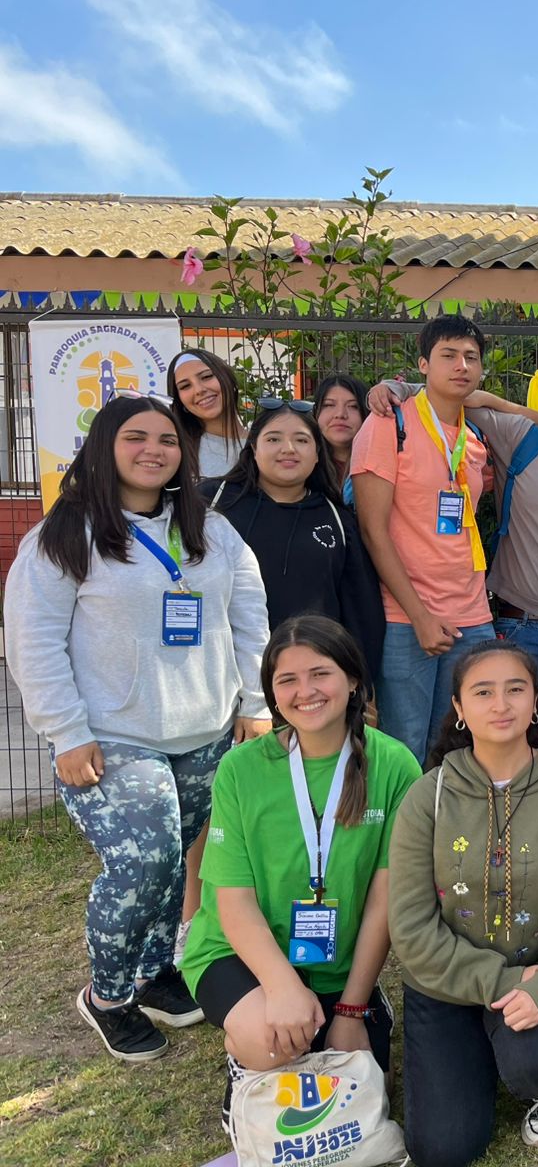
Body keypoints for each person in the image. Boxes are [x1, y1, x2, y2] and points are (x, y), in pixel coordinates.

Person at [4, 396, 271, 1062]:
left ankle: (154, 974)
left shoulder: (209, 528)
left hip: (205, 731)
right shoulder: (64, 535)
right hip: (114, 738)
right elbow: (33, 641)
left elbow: (249, 613)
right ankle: (108, 996)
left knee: (171, 862)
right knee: (144, 864)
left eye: (167, 440)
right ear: (103, 447)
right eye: (136, 437)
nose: (154, 449)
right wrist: (65, 731)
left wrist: (257, 699)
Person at [180, 616, 420, 1128]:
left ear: (353, 679)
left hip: (339, 958)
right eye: (286, 680)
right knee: (273, 1045)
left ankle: (365, 1005)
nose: (304, 692)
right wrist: (282, 988)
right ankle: (244, 1055)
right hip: (238, 952)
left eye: (320, 674)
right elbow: (233, 901)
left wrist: (352, 1011)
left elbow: (386, 899)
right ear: (271, 692)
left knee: (367, 1081)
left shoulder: (395, 765)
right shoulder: (241, 768)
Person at [388, 643, 538, 1161]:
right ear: (460, 709)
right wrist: (505, 984)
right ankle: (480, 1049)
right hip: (445, 985)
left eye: (515, 688)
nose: (501, 703)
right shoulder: (428, 796)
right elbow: (410, 928)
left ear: (535, 702)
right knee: (444, 1148)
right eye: (483, 692)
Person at [368, 363, 538, 767]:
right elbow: (448, 397)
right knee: (517, 748)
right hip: (525, 627)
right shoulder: (520, 437)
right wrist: (394, 388)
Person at [351, 314, 496, 764]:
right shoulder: (387, 423)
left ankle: (445, 831)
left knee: (461, 746)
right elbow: (373, 530)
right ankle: (402, 835)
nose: (461, 366)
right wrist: (419, 616)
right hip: (406, 616)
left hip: (472, 615)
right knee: (405, 748)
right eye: (448, 355)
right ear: (422, 365)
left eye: (471, 357)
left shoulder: (474, 436)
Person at [204, 399, 386, 677]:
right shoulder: (211, 502)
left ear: (316, 453)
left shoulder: (337, 519)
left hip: (310, 680)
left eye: (301, 440)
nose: (288, 449)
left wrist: (361, 679)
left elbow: (360, 609)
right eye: (273, 438)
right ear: (254, 448)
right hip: (224, 674)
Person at [168, 348, 249, 478]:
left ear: (228, 378)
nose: (199, 390)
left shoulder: (265, 442)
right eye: (185, 386)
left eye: (206, 377)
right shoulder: (176, 451)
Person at [311, 373, 370, 500]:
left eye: (353, 406)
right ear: (316, 413)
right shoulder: (305, 464)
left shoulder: (377, 465)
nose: (340, 414)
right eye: (329, 405)